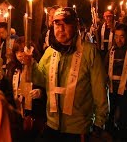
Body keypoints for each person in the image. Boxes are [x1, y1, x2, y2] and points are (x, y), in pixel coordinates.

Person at [27, 7, 109, 141]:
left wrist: (99, 123)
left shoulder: (89, 52)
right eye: (57, 23)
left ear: (76, 24)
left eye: (66, 23)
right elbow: (41, 79)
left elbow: (100, 89)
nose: (61, 28)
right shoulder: (50, 52)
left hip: (78, 128)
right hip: (52, 125)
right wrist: (30, 65)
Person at [6, 36, 46, 140]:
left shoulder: (37, 67)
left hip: (34, 116)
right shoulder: (12, 68)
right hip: (16, 114)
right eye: (17, 52)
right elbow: (7, 90)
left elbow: (47, 87)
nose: (19, 55)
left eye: (22, 51)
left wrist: (40, 93)